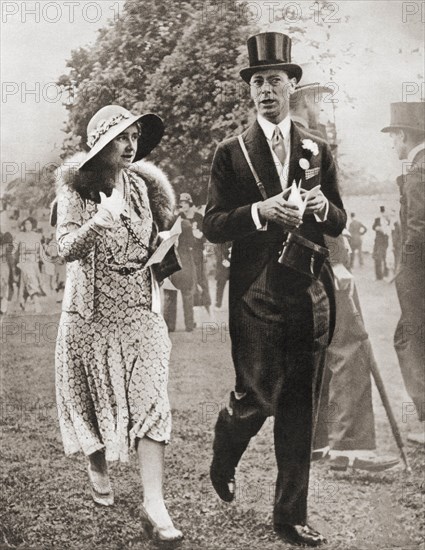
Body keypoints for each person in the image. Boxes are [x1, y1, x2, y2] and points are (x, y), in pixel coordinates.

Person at [203, 32, 346, 547]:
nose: (266, 90)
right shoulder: (231, 152)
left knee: (300, 406)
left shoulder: (317, 147)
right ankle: (227, 443)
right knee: (258, 396)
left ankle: (290, 516)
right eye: (257, 82)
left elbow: (338, 220)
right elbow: (213, 224)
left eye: (275, 80)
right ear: (250, 92)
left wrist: (320, 207)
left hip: (309, 289)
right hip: (255, 291)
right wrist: (260, 213)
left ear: (292, 86)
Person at [53, 104, 183, 542]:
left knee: (152, 399)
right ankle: (96, 463)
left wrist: (164, 243)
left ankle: (155, 504)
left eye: (135, 137)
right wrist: (99, 221)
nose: (131, 145)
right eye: (122, 137)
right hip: (89, 315)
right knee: (91, 398)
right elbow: (66, 247)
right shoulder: (78, 190)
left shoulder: (142, 187)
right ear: (102, 145)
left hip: (138, 311)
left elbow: (144, 242)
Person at [290, 64, 399, 472]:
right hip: (319, 261)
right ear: (303, 101)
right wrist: (337, 260)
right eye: (320, 100)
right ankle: (350, 448)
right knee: (349, 344)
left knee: (314, 350)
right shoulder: (310, 142)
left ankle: (316, 442)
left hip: (291, 265)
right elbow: (315, 207)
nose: (325, 108)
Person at [382, 101, 425, 445]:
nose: (392, 143)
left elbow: (417, 230)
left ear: (404, 136)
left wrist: (404, 273)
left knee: (409, 339)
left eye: (393, 135)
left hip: (418, 273)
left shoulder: (418, 171)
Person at [178, 193, 211, 310]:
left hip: (198, 252)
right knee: (191, 281)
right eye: (181, 203)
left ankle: (208, 305)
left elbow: (204, 234)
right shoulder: (179, 217)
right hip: (187, 254)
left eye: (185, 203)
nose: (183, 205)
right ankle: (194, 306)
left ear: (190, 203)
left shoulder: (198, 217)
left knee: (203, 279)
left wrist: (200, 235)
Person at [15, 217, 45, 313]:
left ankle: (22, 301)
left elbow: (40, 250)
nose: (28, 225)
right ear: (23, 225)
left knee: (26, 282)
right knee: (31, 280)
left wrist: (45, 261)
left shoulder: (36, 236)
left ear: (32, 225)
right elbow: (13, 248)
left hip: (34, 262)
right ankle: (37, 305)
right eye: (26, 224)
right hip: (24, 262)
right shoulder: (20, 236)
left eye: (30, 223)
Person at [372, 206, 390, 280]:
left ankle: (386, 275)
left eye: (383, 212)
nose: (383, 214)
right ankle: (379, 276)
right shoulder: (377, 219)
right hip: (378, 241)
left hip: (385, 241)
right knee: (377, 258)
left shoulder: (388, 220)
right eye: (382, 212)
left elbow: (390, 230)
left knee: (386, 258)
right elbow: (373, 227)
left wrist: (385, 231)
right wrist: (377, 228)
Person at [214, 242, 231, 309]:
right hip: (223, 266)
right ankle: (218, 303)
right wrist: (224, 261)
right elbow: (218, 251)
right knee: (220, 284)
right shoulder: (219, 240)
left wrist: (230, 261)